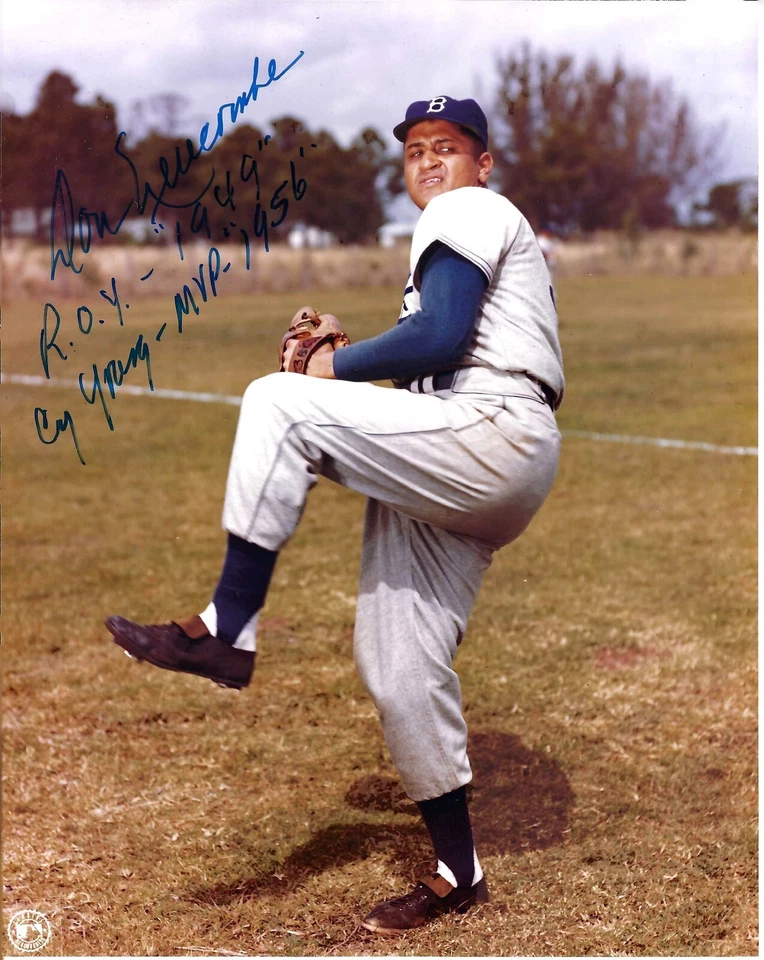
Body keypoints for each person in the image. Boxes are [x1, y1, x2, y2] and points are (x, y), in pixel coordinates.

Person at [106, 95, 564, 934]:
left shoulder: (469, 210)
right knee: (395, 661)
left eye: (449, 147)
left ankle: (227, 627)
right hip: (472, 449)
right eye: (416, 150)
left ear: (483, 163)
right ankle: (459, 873)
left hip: (493, 432)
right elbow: (432, 357)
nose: (430, 163)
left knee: (277, 403)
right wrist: (347, 355)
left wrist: (329, 366)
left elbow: (441, 339)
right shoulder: (461, 230)